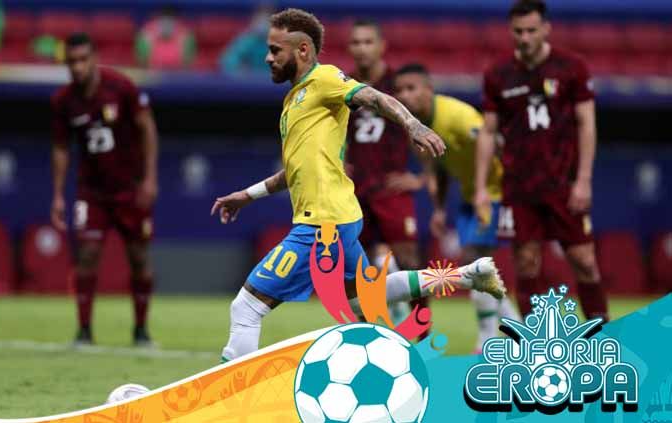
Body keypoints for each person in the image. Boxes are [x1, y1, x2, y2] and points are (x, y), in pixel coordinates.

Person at [211, 8, 506, 362]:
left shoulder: (325, 80)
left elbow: (378, 97)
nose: (267, 57)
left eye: (276, 50)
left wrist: (413, 126)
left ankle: (237, 404)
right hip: (342, 217)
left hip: (321, 225)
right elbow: (295, 170)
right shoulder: (295, 100)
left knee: (246, 308)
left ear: (303, 50)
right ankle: (467, 276)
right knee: (369, 296)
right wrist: (247, 195)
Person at [474, 0, 608, 320]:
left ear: (546, 29)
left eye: (532, 30)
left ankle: (603, 334)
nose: (525, 37)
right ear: (510, 32)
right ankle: (536, 340)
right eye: (518, 31)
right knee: (526, 263)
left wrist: (584, 180)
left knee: (584, 260)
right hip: (519, 186)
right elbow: (488, 132)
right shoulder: (498, 74)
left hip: (564, 182)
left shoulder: (572, 67)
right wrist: (480, 187)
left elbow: (586, 123)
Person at [393, 63, 521, 352]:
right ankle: (514, 330)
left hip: (495, 191)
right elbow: (437, 168)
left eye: (411, 88)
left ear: (429, 89)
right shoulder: (416, 128)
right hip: (469, 196)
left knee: (476, 260)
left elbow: (496, 145)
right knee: (478, 265)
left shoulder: (459, 116)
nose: (404, 95)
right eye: (399, 90)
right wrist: (438, 208)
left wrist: (485, 192)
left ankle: (490, 336)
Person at [51, 33, 160, 347]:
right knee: (86, 255)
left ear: (94, 58)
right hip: (91, 193)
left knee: (139, 258)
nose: (78, 67)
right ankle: (84, 331)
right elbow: (60, 149)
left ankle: (141, 330)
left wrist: (150, 179)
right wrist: (58, 194)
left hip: (130, 189)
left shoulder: (121, 87)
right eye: (71, 62)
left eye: (83, 59)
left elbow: (147, 128)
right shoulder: (63, 101)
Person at [343, 20, 426, 324]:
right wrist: (339, 163)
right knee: (356, 269)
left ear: (381, 46)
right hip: (354, 192)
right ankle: (364, 334)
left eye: (368, 42)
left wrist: (421, 178)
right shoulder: (343, 86)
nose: (362, 49)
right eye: (356, 42)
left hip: (392, 189)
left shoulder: (398, 85)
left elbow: (427, 129)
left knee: (409, 262)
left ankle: (424, 337)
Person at [219, 3, 273, 76]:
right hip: (249, 83)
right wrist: (240, 71)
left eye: (267, 18)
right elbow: (228, 61)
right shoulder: (246, 40)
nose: (263, 22)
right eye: (260, 18)